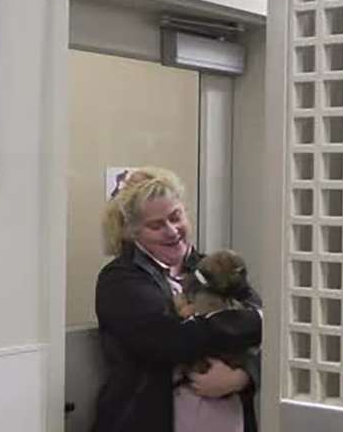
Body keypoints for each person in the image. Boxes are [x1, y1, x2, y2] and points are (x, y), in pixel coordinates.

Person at [94, 167, 262, 432]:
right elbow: (173, 340)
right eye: (156, 225)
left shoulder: (214, 266)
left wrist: (243, 376)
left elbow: (271, 335)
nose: (172, 232)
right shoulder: (120, 279)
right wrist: (251, 322)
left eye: (176, 217)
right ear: (133, 232)